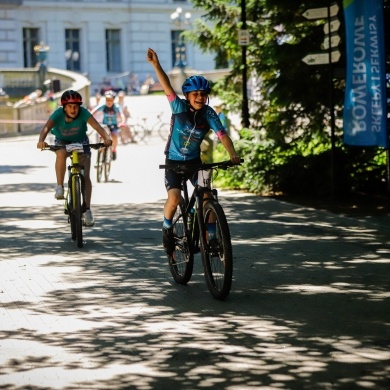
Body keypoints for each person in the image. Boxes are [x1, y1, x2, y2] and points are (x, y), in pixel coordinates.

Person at [146, 47, 241, 255]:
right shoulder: (178, 108)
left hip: (195, 162)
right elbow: (167, 86)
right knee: (174, 198)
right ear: (187, 96)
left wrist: (232, 154)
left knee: (208, 196)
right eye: (195, 94)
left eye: (203, 94)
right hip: (173, 162)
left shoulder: (208, 114)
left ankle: (213, 238)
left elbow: (223, 135)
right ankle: (167, 227)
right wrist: (156, 65)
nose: (199, 97)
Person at [36, 90, 112, 226]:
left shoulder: (83, 113)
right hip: (62, 141)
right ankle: (59, 187)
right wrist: (41, 140)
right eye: (70, 106)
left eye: (76, 106)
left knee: (86, 175)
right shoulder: (58, 114)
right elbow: (46, 128)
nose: (73, 109)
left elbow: (97, 126)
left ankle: (87, 210)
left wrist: (106, 138)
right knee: (60, 153)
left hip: (81, 141)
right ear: (64, 108)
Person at [90, 90, 125, 160]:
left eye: (111, 100)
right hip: (105, 125)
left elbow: (121, 114)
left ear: (113, 100)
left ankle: (114, 150)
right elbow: (93, 112)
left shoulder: (116, 107)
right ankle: (103, 154)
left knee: (114, 136)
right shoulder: (103, 106)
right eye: (107, 100)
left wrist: (122, 122)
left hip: (114, 125)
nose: (109, 102)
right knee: (102, 138)